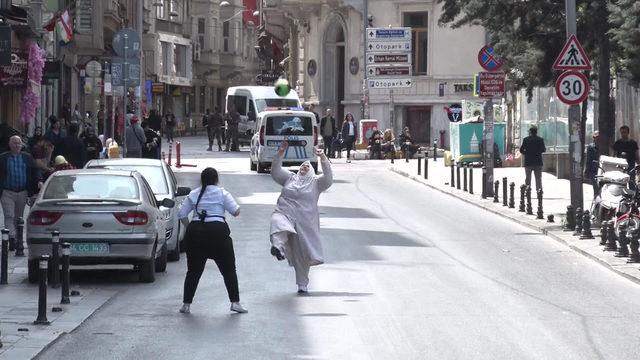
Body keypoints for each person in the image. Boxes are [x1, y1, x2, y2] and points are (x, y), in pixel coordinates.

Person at [177, 167, 247, 314]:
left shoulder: (194, 194)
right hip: (218, 233)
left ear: (202, 180)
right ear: (216, 179)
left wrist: (190, 226)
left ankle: (186, 304)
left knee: (193, 271)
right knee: (228, 270)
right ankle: (235, 302)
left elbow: (181, 213)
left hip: (195, 233)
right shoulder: (222, 193)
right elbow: (236, 211)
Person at [269, 141, 333, 293]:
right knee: (278, 223)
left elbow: (329, 178)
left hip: (305, 222)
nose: (304, 168)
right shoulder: (290, 178)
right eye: (302, 166)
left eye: (307, 166)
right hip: (285, 212)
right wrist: (280, 153)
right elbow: (275, 171)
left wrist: (322, 157)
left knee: (301, 254)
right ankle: (278, 247)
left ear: (311, 171)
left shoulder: (316, 183)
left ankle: (302, 284)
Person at [0, 136, 39, 256]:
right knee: (9, 215)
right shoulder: (3, 158)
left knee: (19, 218)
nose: (17, 145)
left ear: (22, 145)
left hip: (22, 192)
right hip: (7, 191)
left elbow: (34, 171)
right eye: (14, 143)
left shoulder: (27, 157)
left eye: (19, 143)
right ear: (10, 144)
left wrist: (38, 182)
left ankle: (18, 240)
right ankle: (10, 238)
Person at [519, 126, 546, 192]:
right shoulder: (540, 139)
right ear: (536, 132)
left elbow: (521, 150)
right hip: (538, 162)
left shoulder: (526, 139)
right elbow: (544, 149)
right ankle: (539, 191)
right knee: (538, 178)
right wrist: (538, 152)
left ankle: (527, 191)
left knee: (528, 178)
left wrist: (527, 153)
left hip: (528, 162)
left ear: (530, 132)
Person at [613, 125, 639, 189]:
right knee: (620, 182)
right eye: (622, 132)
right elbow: (614, 154)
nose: (623, 134)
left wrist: (638, 164)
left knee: (631, 181)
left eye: (624, 132)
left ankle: (632, 197)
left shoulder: (633, 143)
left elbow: (636, 155)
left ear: (628, 133)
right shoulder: (617, 143)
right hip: (620, 166)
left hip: (631, 165)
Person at [585, 131, 600, 196]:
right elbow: (588, 159)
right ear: (594, 138)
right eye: (596, 137)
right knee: (596, 187)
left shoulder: (603, 146)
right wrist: (586, 170)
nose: (597, 139)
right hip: (593, 170)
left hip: (602, 169)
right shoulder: (590, 147)